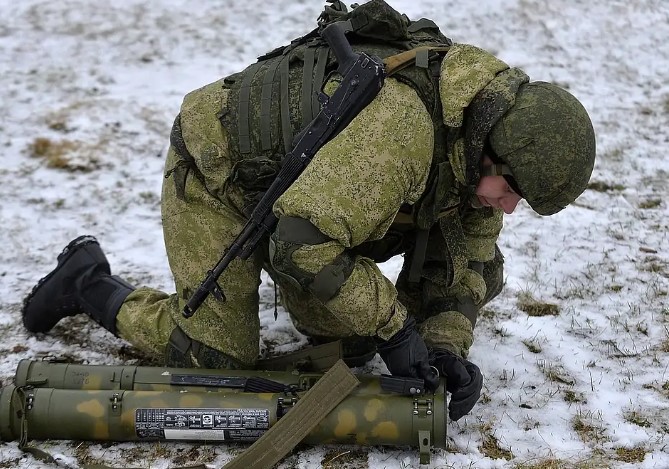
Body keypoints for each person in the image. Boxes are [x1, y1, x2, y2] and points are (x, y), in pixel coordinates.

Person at [21, 0, 595, 422]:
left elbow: (467, 259)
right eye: (512, 191)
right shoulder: (400, 135)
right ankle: (88, 282)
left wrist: (443, 348)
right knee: (217, 357)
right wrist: (398, 331)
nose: (511, 209)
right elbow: (298, 242)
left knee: (350, 346)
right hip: (224, 174)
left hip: (319, 194)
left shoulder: (478, 130)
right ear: (492, 151)